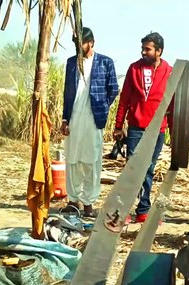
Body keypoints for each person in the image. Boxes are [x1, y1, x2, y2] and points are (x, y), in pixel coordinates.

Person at [114, 32, 174, 224]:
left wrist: (173, 133)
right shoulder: (134, 69)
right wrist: (118, 126)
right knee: (132, 170)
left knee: (148, 169)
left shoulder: (170, 71)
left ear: (159, 51)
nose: (143, 52)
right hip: (136, 129)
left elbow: (174, 106)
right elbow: (124, 99)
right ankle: (123, 211)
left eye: (148, 49)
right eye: (143, 48)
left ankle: (143, 211)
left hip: (158, 130)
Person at [60, 27, 119, 218]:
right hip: (74, 117)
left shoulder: (105, 62)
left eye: (81, 44)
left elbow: (113, 89)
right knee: (73, 159)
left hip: (94, 119)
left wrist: (102, 106)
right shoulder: (71, 63)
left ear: (91, 43)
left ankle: (88, 203)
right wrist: (65, 118)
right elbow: (67, 92)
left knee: (91, 161)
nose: (78, 48)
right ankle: (73, 200)